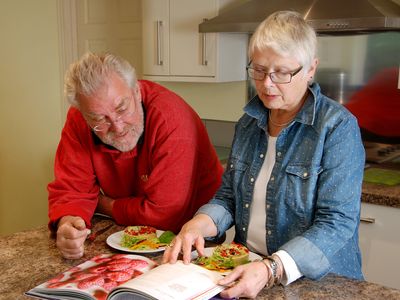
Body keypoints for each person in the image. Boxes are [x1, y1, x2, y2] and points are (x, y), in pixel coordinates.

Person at [163, 10, 365, 299]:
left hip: (319, 284)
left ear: (310, 69)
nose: (267, 84)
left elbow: (337, 223)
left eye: (281, 72)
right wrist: (199, 224)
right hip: (249, 270)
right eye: (258, 70)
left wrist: (272, 268)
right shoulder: (249, 123)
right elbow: (228, 197)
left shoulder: (337, 127)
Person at [48, 52, 223, 259]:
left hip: (192, 238)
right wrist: (69, 222)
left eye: (122, 109)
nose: (117, 126)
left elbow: (165, 214)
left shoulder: (171, 119)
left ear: (137, 92)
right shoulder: (79, 119)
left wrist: (103, 203)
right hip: (128, 233)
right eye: (99, 119)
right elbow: (71, 189)